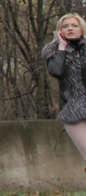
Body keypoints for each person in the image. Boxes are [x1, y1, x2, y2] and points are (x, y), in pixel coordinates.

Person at [42, 13, 86, 169]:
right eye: (65, 26)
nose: (70, 29)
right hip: (73, 110)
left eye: (74, 25)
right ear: (60, 31)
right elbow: (55, 71)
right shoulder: (53, 50)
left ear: (81, 28)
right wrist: (62, 47)